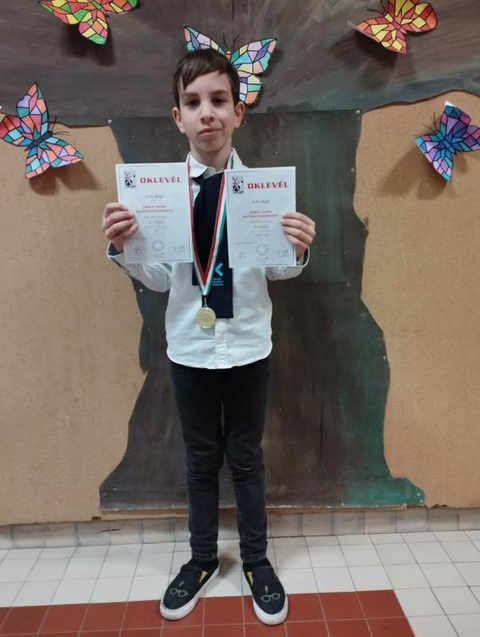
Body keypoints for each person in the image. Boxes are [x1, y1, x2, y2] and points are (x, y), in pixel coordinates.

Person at [102, 49, 316, 626]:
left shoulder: (265, 192)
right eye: (193, 103)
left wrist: (297, 247)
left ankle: (256, 560)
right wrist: (124, 247)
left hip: (247, 346)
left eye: (220, 100)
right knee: (199, 459)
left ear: (239, 112)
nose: (208, 113)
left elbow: (278, 269)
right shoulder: (158, 194)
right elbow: (156, 277)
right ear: (178, 117)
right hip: (190, 349)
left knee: (246, 457)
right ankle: (200, 559)